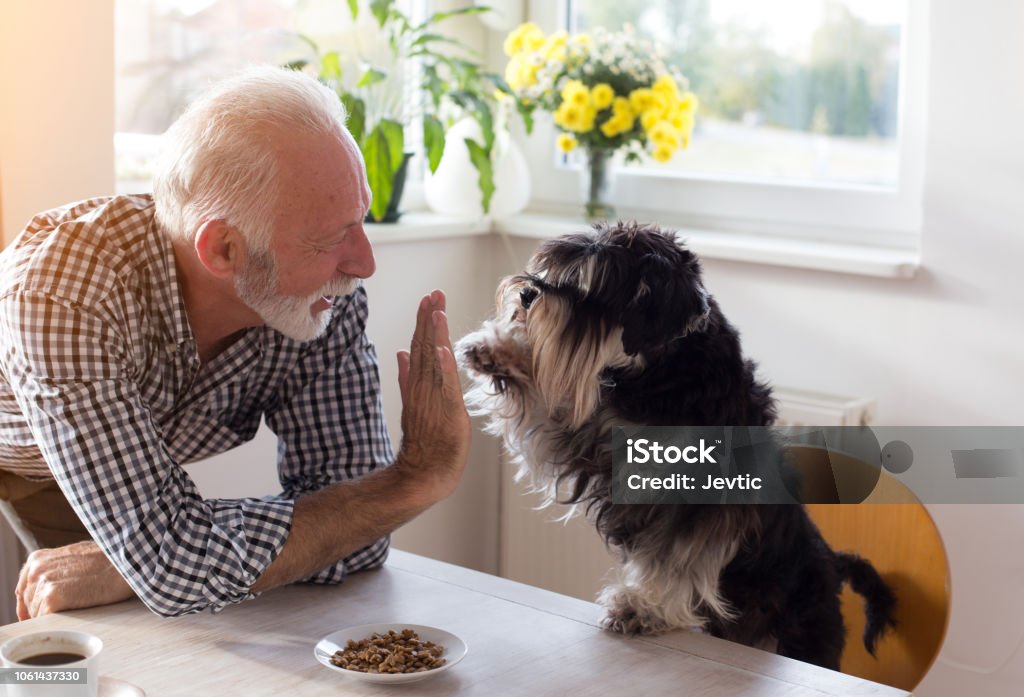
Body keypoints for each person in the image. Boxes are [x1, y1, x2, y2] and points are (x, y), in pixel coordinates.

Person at [0, 66, 470, 620]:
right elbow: (176, 569)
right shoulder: (64, 293)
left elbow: (361, 534)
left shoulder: (321, 297)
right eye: (330, 237)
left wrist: (162, 555)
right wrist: (417, 478)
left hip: (121, 459)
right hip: (19, 458)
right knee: (43, 664)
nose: (364, 263)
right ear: (223, 250)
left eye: (360, 219)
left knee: (135, 633)